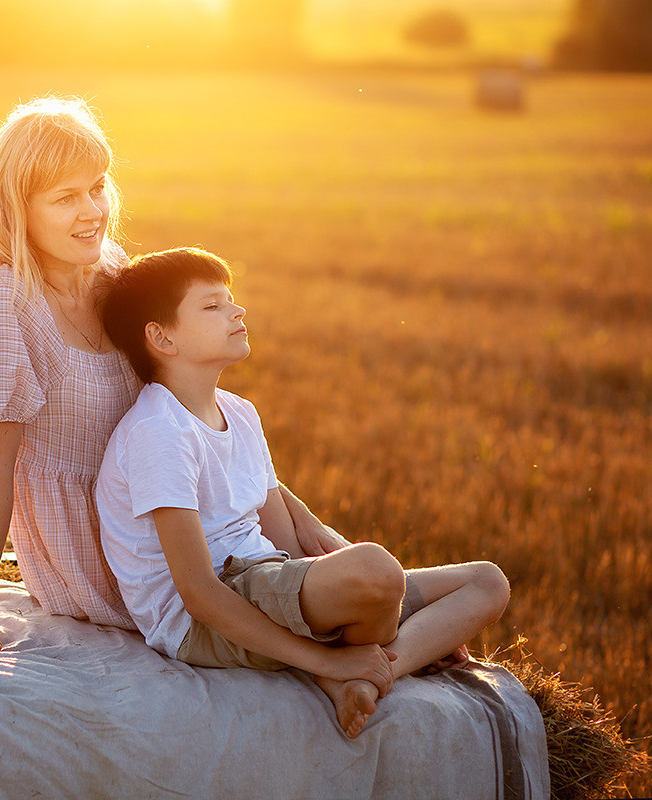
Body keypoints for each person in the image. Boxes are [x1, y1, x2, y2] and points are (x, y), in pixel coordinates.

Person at [0, 98, 342, 665]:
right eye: (65, 197)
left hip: (185, 514)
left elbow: (192, 412)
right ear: (16, 208)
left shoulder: (114, 270)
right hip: (97, 552)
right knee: (304, 604)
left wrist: (301, 515)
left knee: (335, 578)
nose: (92, 210)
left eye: (97, 187)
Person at [95, 247, 511, 738]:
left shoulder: (241, 413)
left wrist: (343, 582)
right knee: (377, 571)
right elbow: (199, 594)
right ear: (161, 337)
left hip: (269, 582)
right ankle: (343, 667)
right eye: (211, 306)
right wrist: (325, 654)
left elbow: (287, 545)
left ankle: (369, 674)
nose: (237, 311)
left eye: (231, 300)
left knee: (486, 582)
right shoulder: (158, 431)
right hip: (204, 618)